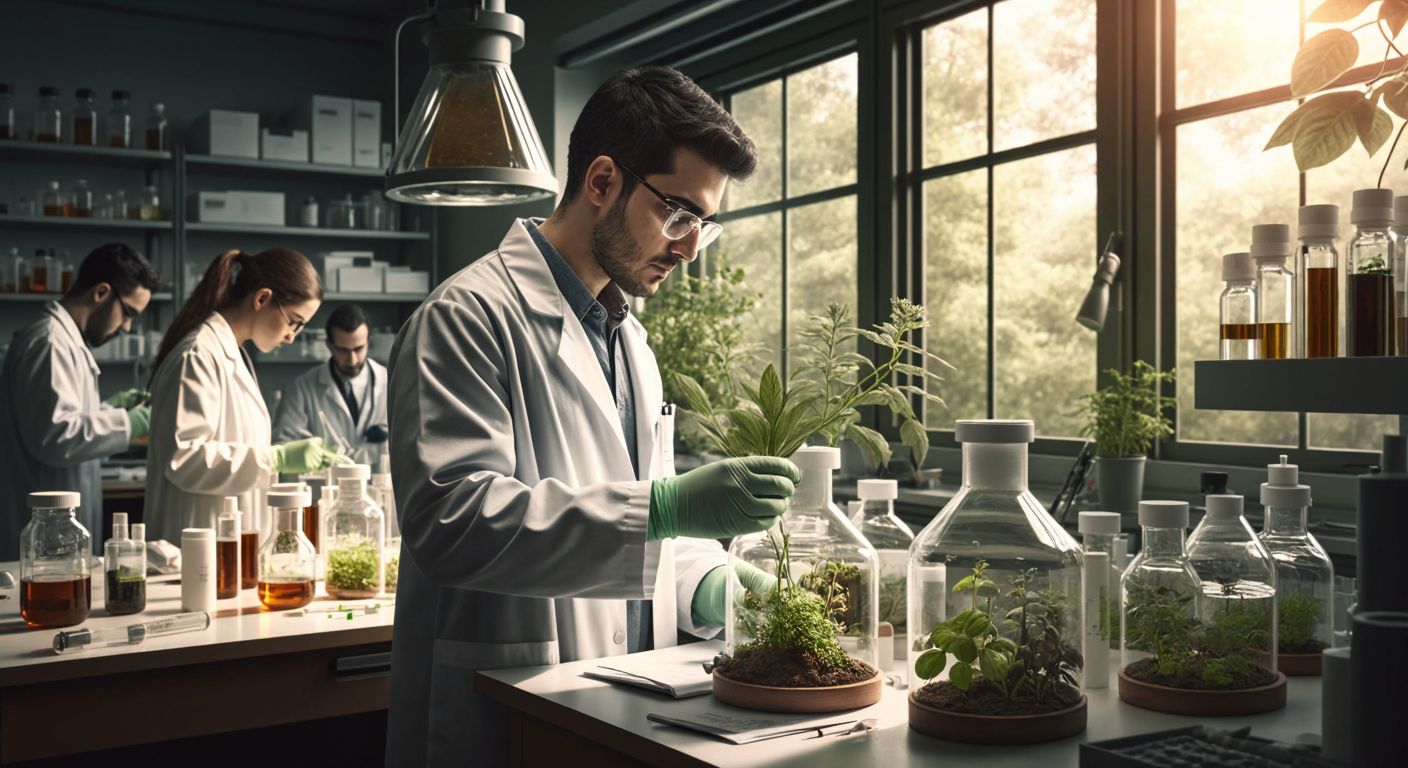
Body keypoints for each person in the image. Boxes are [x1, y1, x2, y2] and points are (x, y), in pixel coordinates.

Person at [385, 66, 798, 767]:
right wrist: (665, 510)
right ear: (602, 182)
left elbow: (641, 525)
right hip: (505, 703)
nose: (690, 247)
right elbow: (452, 525)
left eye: (705, 224)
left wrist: (708, 581)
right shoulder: (463, 318)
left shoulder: (628, 340)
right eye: (679, 215)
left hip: (619, 710)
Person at [143, 248, 343, 545]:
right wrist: (276, 458)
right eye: (294, 321)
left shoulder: (232, 353)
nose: (292, 336)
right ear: (261, 299)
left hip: (229, 542)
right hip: (197, 542)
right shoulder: (198, 354)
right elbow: (184, 458)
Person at [0, 242, 161, 557]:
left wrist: (111, 410)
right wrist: (130, 423)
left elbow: (65, 424)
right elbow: (55, 438)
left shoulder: (67, 342)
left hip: (57, 533)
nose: (127, 327)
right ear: (101, 293)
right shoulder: (50, 343)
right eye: (128, 313)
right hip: (42, 536)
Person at [273, 304, 388, 468]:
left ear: (369, 341)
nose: (352, 360)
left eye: (358, 349)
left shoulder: (391, 382)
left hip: (379, 486)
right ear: (329, 345)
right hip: (325, 488)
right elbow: (285, 447)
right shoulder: (301, 388)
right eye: (343, 350)